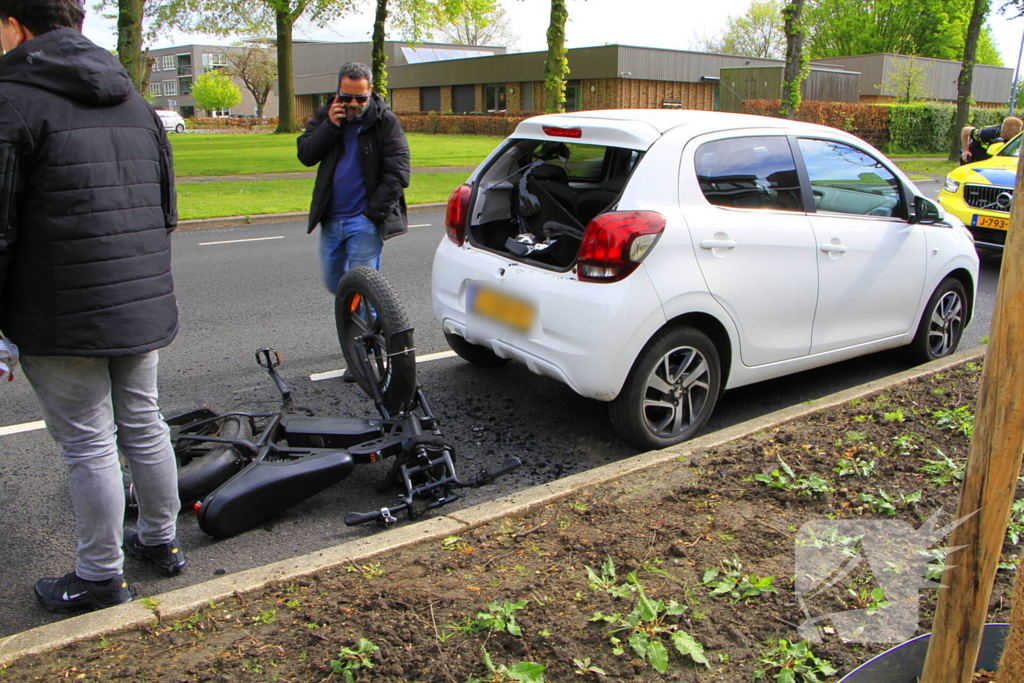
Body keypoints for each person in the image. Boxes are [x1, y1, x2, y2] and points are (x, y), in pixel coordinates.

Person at [0, 0, 185, 612]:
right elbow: (167, 214)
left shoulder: (12, 101)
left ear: (14, 26)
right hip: (136, 299)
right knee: (142, 422)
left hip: (59, 310)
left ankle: (101, 574)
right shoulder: (135, 102)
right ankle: (161, 541)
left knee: (88, 441)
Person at [297, 61, 411, 295]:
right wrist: (330, 126)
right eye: (347, 97)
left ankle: (371, 330)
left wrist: (373, 216)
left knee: (365, 289)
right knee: (334, 283)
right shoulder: (325, 116)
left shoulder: (385, 121)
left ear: (370, 90)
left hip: (365, 221)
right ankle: (355, 326)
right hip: (331, 220)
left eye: (360, 98)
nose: (353, 104)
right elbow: (306, 155)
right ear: (338, 92)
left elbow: (398, 173)